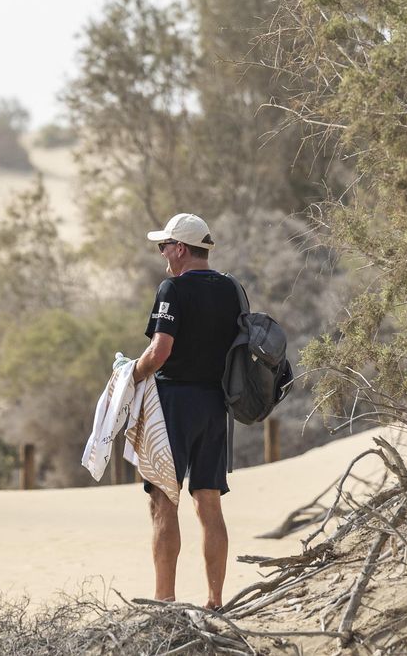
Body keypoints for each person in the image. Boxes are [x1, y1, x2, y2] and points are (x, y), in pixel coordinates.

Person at [131, 214, 242, 610]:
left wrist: (133, 374)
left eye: (164, 246)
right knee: (208, 500)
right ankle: (215, 601)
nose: (162, 254)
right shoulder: (232, 288)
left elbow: (160, 351)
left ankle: (165, 601)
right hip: (216, 405)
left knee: (163, 500)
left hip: (174, 405)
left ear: (180, 248)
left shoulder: (172, 288)